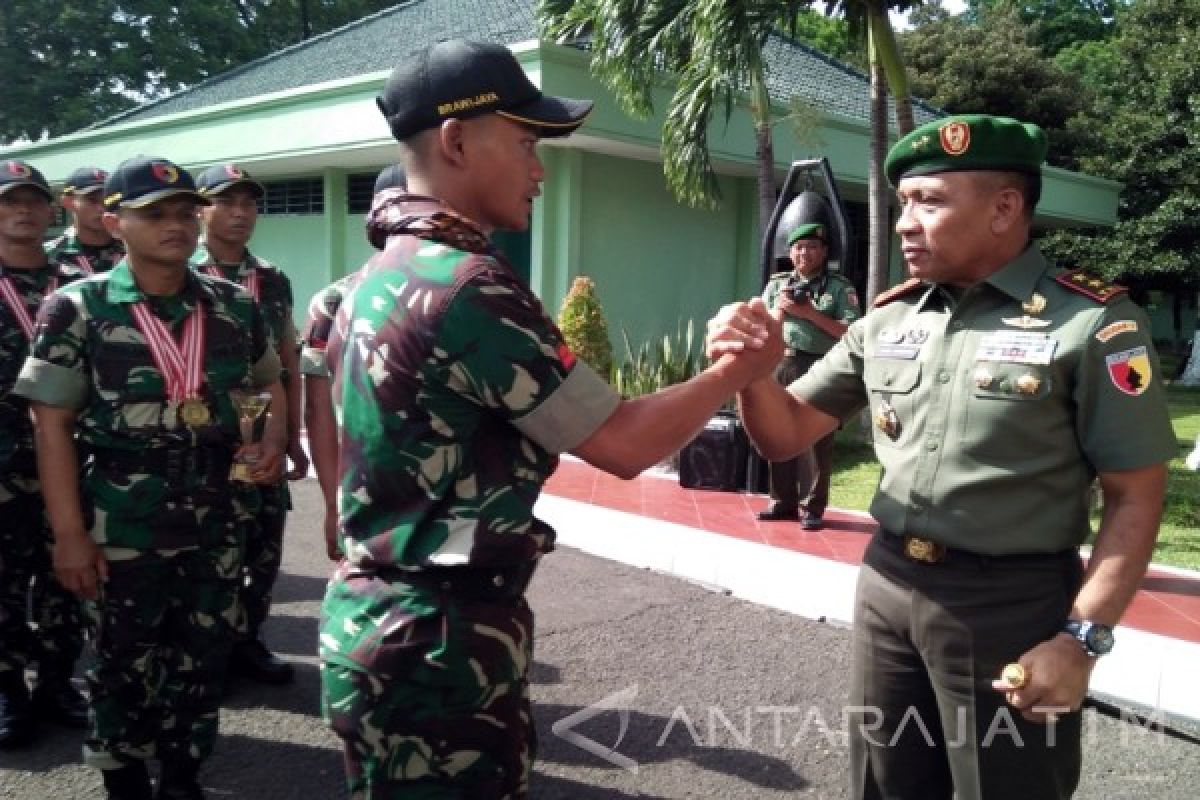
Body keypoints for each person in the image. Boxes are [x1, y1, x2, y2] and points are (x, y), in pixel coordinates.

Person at [319, 39, 776, 798]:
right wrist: (736, 371)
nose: (540, 168)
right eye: (527, 142)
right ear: (457, 140)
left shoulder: (370, 280)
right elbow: (625, 443)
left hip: (383, 624)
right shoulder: (467, 287)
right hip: (440, 645)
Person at [706, 114, 1176, 800]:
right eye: (903, 205)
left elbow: (1137, 496)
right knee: (885, 783)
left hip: (1011, 604)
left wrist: (1081, 639)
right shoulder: (889, 319)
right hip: (888, 589)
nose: (904, 223)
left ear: (1004, 208)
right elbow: (785, 435)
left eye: (929, 201)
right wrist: (748, 372)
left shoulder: (1094, 324)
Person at [16, 155, 286, 800]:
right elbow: (49, 424)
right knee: (120, 661)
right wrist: (68, 536)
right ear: (114, 222)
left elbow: (268, 381)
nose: (177, 225)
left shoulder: (231, 304)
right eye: (155, 214)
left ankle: (185, 772)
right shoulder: (77, 306)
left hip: (217, 514)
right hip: (120, 516)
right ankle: (125, 776)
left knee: (204, 654)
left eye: (186, 212)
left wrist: (271, 441)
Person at [193, 163, 307, 686]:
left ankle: (249, 640)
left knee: (263, 542)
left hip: (265, 428)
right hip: (207, 433)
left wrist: (292, 437)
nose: (240, 214)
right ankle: (209, 647)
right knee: (211, 548)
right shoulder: (181, 271)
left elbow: (286, 358)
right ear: (201, 209)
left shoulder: (273, 278)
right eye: (226, 202)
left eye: (249, 204)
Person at [0, 159, 88, 748]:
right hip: (3, 466)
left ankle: (58, 682)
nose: (25, 211)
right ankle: (9, 690)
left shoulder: (79, 282)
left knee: (71, 581)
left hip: (75, 461)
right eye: (10, 202)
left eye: (33, 200)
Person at [300, 163, 407, 562]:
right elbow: (319, 412)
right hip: (367, 493)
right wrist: (333, 504)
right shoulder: (334, 302)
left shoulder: (462, 290)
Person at [756, 223, 860, 529]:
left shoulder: (840, 288)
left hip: (820, 366)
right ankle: (781, 501)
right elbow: (763, 327)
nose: (805, 253)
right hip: (781, 365)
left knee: (816, 438)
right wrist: (781, 309)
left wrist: (811, 313)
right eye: (799, 247)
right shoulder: (777, 286)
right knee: (777, 432)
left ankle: (812, 507)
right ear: (790, 252)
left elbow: (852, 333)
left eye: (812, 247)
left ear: (824, 252)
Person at [45, 166, 125, 275]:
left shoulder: (133, 248)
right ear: (67, 202)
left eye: (106, 201)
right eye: (92, 200)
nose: (102, 208)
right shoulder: (49, 253)